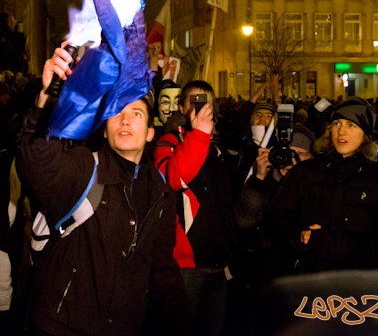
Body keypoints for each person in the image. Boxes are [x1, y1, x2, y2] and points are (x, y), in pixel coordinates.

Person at [18, 45, 190, 336]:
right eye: (117, 113)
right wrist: (49, 96)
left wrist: (184, 325)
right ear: (105, 128)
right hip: (60, 326)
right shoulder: (85, 168)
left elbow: (162, 271)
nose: (125, 120)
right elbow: (38, 160)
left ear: (150, 133)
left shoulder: (161, 194)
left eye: (136, 114)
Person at [265, 96, 378, 274]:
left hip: (355, 285)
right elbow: (276, 217)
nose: (341, 132)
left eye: (351, 125)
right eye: (337, 123)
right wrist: (300, 235)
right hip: (306, 278)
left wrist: (330, 244)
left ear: (365, 134)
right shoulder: (304, 172)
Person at [152, 80, 236, 336]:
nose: (201, 109)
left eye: (206, 103)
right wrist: (198, 135)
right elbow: (171, 179)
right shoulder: (168, 140)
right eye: (195, 102)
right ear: (182, 106)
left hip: (220, 266)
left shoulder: (219, 146)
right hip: (186, 267)